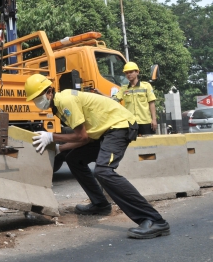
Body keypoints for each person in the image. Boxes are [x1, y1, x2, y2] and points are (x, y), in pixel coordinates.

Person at [25, 74, 170, 239]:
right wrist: (60, 148)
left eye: (38, 97)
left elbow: (81, 137)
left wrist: (52, 137)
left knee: (103, 171)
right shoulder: (58, 106)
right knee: (73, 158)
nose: (37, 102)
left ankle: (154, 220)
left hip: (119, 126)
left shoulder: (64, 101)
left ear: (50, 91)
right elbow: (85, 137)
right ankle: (100, 204)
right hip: (103, 132)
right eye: (34, 99)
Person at [113, 62, 157, 135]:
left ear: (137, 72)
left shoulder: (146, 86)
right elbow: (114, 99)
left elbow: (151, 103)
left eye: (131, 72)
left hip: (145, 122)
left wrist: (154, 119)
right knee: (132, 145)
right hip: (131, 123)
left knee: (149, 145)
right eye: (126, 73)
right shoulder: (124, 89)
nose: (129, 74)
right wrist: (99, 93)